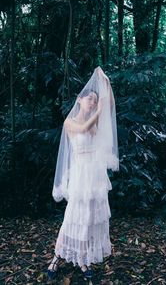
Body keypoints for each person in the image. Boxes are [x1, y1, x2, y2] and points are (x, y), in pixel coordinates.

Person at [47, 66, 119, 281]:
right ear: (79, 100)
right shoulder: (70, 122)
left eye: (95, 100)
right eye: (90, 99)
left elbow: (111, 106)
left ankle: (83, 258)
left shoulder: (96, 118)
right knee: (73, 217)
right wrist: (98, 111)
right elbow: (83, 128)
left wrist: (106, 84)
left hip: (95, 174)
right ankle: (57, 256)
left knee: (90, 218)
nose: (93, 102)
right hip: (80, 174)